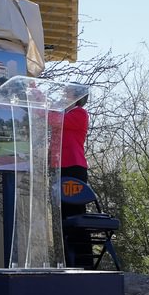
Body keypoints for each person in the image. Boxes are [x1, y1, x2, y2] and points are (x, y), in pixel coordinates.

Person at [59, 91, 91, 267]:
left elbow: (54, 119)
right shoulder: (65, 114)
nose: (64, 97)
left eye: (67, 95)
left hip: (74, 167)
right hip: (61, 168)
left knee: (76, 213)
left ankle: (84, 261)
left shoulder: (79, 113)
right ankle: (69, 260)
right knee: (64, 216)